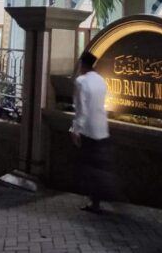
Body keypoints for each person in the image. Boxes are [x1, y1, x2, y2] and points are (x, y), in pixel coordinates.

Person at [70, 51, 111, 214]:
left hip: (88, 130)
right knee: (98, 165)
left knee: (88, 167)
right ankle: (97, 200)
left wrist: (75, 129)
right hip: (102, 128)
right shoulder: (101, 81)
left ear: (82, 65)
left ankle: (94, 201)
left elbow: (81, 109)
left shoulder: (81, 81)